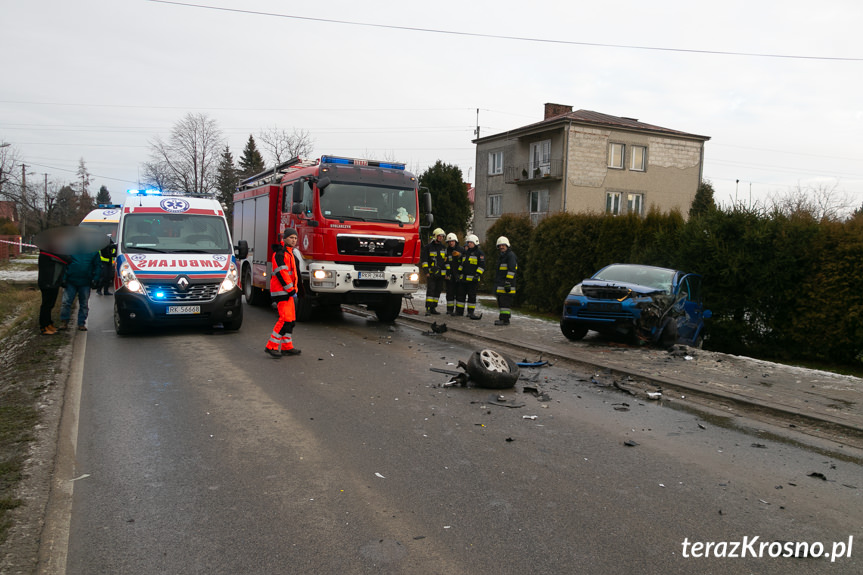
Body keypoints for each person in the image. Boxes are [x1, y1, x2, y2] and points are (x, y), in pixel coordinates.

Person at [265, 228, 302, 358]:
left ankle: (287, 346)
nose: (294, 240)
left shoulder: (289, 253)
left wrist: (295, 290)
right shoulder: (280, 254)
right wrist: (291, 289)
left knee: (290, 321)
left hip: (288, 292)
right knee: (285, 320)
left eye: (295, 238)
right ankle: (271, 346)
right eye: (291, 237)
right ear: (284, 238)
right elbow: (282, 273)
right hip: (282, 292)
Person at [58, 244, 101, 331]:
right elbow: (64, 265)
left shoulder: (93, 252)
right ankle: (64, 321)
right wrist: (63, 279)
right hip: (71, 281)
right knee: (66, 303)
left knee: (84, 304)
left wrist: (95, 279)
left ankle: (81, 323)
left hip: (85, 282)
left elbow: (97, 266)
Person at [37, 248, 69, 335]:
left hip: (53, 282)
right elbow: (66, 259)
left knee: (50, 305)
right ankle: (44, 327)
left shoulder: (51, 251)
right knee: (46, 305)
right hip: (48, 282)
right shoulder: (47, 253)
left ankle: (49, 323)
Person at [455, 234, 485, 319]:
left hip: (473, 280)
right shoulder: (465, 253)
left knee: (472, 296)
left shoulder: (480, 253)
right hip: (463, 279)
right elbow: (462, 264)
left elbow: (482, 266)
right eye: (468, 242)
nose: (469, 244)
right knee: (460, 296)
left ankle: (471, 312)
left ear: (475, 243)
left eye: (471, 243)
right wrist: (458, 273)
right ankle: (459, 312)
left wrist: (477, 274)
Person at [420, 227, 447, 315]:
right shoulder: (428, 247)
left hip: (441, 274)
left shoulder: (443, 248)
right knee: (431, 291)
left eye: (442, 236)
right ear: (435, 236)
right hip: (431, 274)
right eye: (439, 236)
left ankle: (433, 308)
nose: (441, 238)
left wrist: (446, 272)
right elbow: (424, 261)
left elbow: (446, 261)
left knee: (438, 291)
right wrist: (426, 272)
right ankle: (428, 308)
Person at [493, 236, 517, 326]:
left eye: (503, 245)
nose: (501, 247)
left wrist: (508, 283)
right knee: (502, 303)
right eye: (500, 245)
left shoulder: (510, 256)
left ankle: (505, 320)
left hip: (507, 285)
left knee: (505, 304)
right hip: (501, 284)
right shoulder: (502, 256)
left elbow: (512, 270)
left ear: (507, 245)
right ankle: (503, 318)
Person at [443, 233, 461, 315]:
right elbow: (445, 263)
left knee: (459, 294)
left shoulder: (461, 249)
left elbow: (465, 260)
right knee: (449, 293)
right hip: (450, 275)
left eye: (452, 241)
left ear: (455, 241)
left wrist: (460, 255)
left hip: (458, 275)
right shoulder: (446, 251)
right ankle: (449, 309)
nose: (451, 243)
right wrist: (447, 273)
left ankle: (458, 311)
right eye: (449, 241)